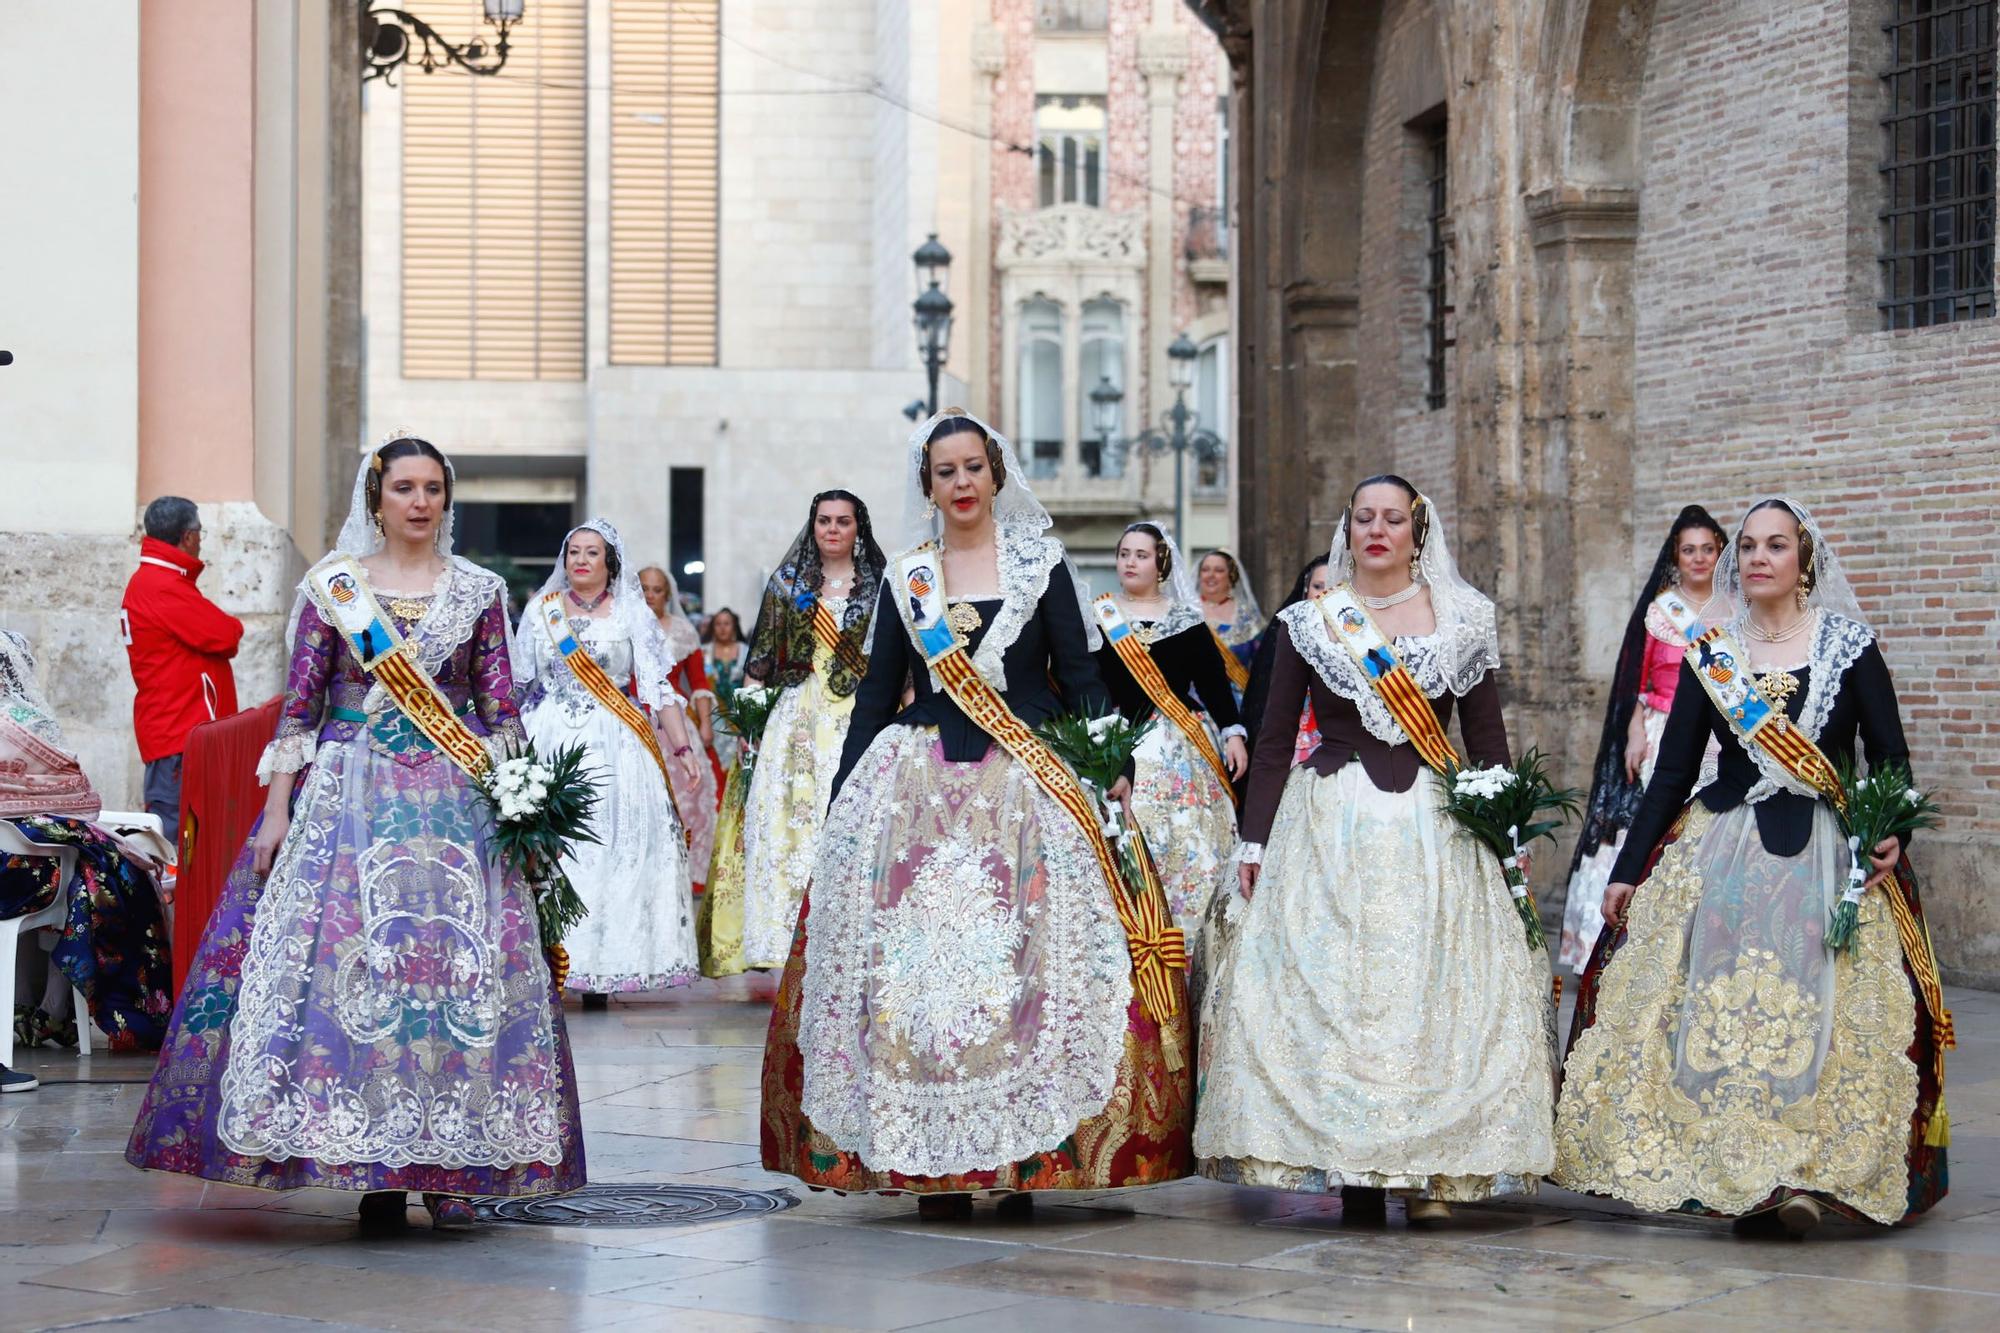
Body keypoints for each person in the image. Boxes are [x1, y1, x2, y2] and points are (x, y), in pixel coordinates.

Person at [126, 437, 586, 1231]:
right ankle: (372, 1166)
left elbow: (498, 706)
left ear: (447, 498)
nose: (418, 501)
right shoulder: (334, 589)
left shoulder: (479, 590)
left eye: (432, 488)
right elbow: (300, 708)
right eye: (403, 487)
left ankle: (457, 1168)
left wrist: (522, 804)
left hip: (455, 801)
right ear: (376, 498)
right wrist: (275, 813)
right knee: (363, 970)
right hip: (351, 798)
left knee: (453, 979)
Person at [760, 410, 1193, 1220]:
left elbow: (1080, 675)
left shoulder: (1043, 562)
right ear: (928, 483)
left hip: (1029, 783)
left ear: (995, 473)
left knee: (1028, 969)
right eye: (944, 470)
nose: (960, 483)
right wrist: (841, 806)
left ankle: (1022, 1157)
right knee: (921, 971)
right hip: (917, 786)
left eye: (972, 467)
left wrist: (1112, 761)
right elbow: (876, 694)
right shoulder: (909, 577)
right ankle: (932, 1166)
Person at [1555, 497, 1949, 1236]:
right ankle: (1728, 1166)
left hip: (1826, 856)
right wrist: (1627, 869)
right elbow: (1671, 775)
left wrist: (1890, 832)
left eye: (1776, 545)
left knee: (1815, 1015)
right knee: (1721, 1011)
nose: (1757, 557)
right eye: (1749, 546)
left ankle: (1807, 1176)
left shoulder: (1849, 646)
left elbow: (1890, 758)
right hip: (1724, 852)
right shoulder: (1716, 651)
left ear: (1805, 561)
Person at [1195, 475, 1553, 1226]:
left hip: (1437, 824)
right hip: (1331, 820)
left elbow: (1486, 741)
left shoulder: (1464, 618)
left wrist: (1507, 840)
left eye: (1394, 519)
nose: (1378, 530)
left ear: (1418, 533)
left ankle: (1430, 1171)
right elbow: (1270, 742)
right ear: (1348, 528)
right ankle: (1354, 1168)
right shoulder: (1312, 620)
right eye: (1365, 518)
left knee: (1432, 989)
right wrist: (1252, 841)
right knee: (1341, 990)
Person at [515, 523, 706, 1006]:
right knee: (554, 852)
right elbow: (517, 682)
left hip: (616, 742)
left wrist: (682, 749)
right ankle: (552, 961)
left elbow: (659, 689)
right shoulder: (541, 611)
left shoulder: (630, 614)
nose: (580, 560)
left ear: (609, 562)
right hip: (548, 738)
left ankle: (603, 966)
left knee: (610, 848)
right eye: (573, 551)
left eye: (591, 553)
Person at [1557, 507, 1729, 971]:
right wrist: (1634, 732)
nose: (1698, 558)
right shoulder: (1661, 610)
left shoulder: (1735, 609)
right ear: (1676, 555)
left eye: (1707, 550)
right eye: (1688, 550)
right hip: (1661, 729)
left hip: (1719, 733)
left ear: (1720, 553)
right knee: (1655, 819)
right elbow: (1640, 679)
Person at [4, 629, 174, 1085]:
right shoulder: (25, 724)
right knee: (86, 871)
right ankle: (59, 1009)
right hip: (20, 878)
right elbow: (80, 802)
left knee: (76, 862)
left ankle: (32, 1006)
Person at [732, 491, 885, 973]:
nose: (833, 529)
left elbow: (897, 669)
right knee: (789, 824)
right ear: (813, 525)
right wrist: (749, 727)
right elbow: (759, 660)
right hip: (798, 719)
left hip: (860, 718)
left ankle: (850, 940)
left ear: (858, 527)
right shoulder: (788, 586)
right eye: (824, 521)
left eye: (843, 521)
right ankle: (785, 942)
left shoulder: (879, 587)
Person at [1093, 522, 1247, 938]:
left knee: (1190, 845)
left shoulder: (1185, 620)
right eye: (1124, 553)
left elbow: (1215, 684)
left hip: (1181, 746)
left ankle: (1196, 936)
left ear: (1160, 564)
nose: (1129, 562)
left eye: (1140, 555)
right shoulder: (1099, 618)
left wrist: (1233, 732)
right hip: (1117, 742)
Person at [121, 495, 244, 843]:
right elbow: (224, 634)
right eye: (200, 534)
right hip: (179, 732)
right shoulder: (162, 585)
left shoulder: (156, 582)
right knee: (176, 845)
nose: (200, 541)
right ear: (189, 537)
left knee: (190, 840)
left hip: (179, 731)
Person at [639, 565, 721, 890]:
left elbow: (699, 682)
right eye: (643, 588)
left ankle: (680, 873)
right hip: (633, 720)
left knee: (686, 800)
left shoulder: (684, 631)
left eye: (656, 589)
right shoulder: (624, 627)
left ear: (667, 594)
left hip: (673, 724)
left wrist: (704, 726)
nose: (649, 595)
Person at [1239, 555, 1331, 783]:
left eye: (1332, 587)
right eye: (1318, 586)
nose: (1323, 595)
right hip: (1292, 741)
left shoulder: (1362, 637)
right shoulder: (1285, 632)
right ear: (1305, 589)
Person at [1196, 548, 1264, 696]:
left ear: (1231, 575)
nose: (1210, 575)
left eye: (1219, 570)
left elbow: (1262, 665)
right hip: (1193, 704)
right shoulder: (1187, 613)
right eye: (1205, 570)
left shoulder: (1247, 616)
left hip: (1238, 701)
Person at [702, 607, 748, 770]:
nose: (722, 628)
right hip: (712, 719)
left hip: (739, 720)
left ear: (734, 626)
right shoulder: (704, 652)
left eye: (727, 624)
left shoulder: (746, 651)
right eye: (718, 624)